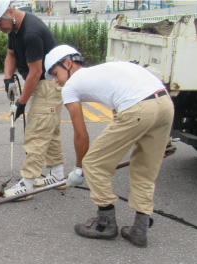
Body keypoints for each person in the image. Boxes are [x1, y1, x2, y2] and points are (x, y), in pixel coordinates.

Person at [44, 45, 174, 247]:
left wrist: (80, 168)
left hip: (138, 107)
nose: (56, 81)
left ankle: (105, 223)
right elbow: (132, 100)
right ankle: (139, 229)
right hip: (165, 104)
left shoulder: (71, 86)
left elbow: (81, 134)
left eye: (55, 73)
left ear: (68, 63)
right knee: (144, 171)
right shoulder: (104, 72)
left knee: (94, 163)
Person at [0, 0, 66, 200]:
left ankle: (27, 185)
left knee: (37, 132)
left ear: (9, 12)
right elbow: (11, 55)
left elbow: (35, 73)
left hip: (47, 85)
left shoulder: (31, 33)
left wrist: (21, 103)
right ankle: (58, 175)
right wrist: (8, 78)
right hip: (39, 84)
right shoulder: (14, 29)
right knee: (50, 130)